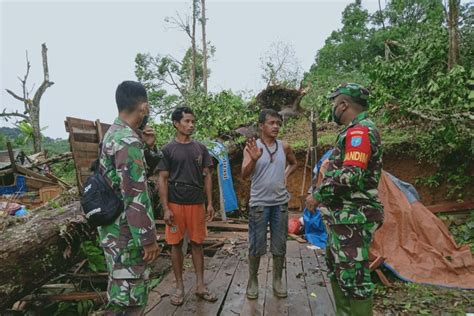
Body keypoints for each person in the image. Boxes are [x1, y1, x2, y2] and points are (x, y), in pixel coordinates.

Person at [306, 83, 384, 316]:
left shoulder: (359, 132)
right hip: (343, 219)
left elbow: (351, 175)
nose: (333, 108)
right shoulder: (354, 131)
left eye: (333, 103)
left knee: (355, 279)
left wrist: (318, 195)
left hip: (354, 218)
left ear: (343, 104)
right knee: (340, 272)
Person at [98, 81, 160, 315]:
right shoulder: (127, 140)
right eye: (148, 104)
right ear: (143, 106)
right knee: (130, 300)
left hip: (115, 231)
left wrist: (147, 147)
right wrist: (148, 239)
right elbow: (135, 193)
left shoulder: (114, 134)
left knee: (120, 292)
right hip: (127, 235)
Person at [157, 106, 217, 306]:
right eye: (186, 121)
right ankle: (179, 287)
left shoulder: (200, 148)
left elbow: (208, 175)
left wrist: (209, 203)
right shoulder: (167, 150)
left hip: (196, 202)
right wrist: (165, 208)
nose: (191, 125)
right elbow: (162, 179)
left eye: (193, 122)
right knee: (175, 245)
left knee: (198, 243)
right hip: (175, 204)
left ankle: (200, 286)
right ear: (176, 123)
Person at [241, 108, 297, 299]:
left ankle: (278, 280)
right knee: (256, 245)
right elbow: (244, 174)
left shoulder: (284, 146)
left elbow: (294, 163)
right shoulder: (252, 147)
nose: (276, 127)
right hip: (259, 203)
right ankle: (253, 280)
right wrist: (254, 160)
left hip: (280, 203)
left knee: (279, 244)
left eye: (278, 124)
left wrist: (285, 176)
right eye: (272, 123)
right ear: (261, 126)